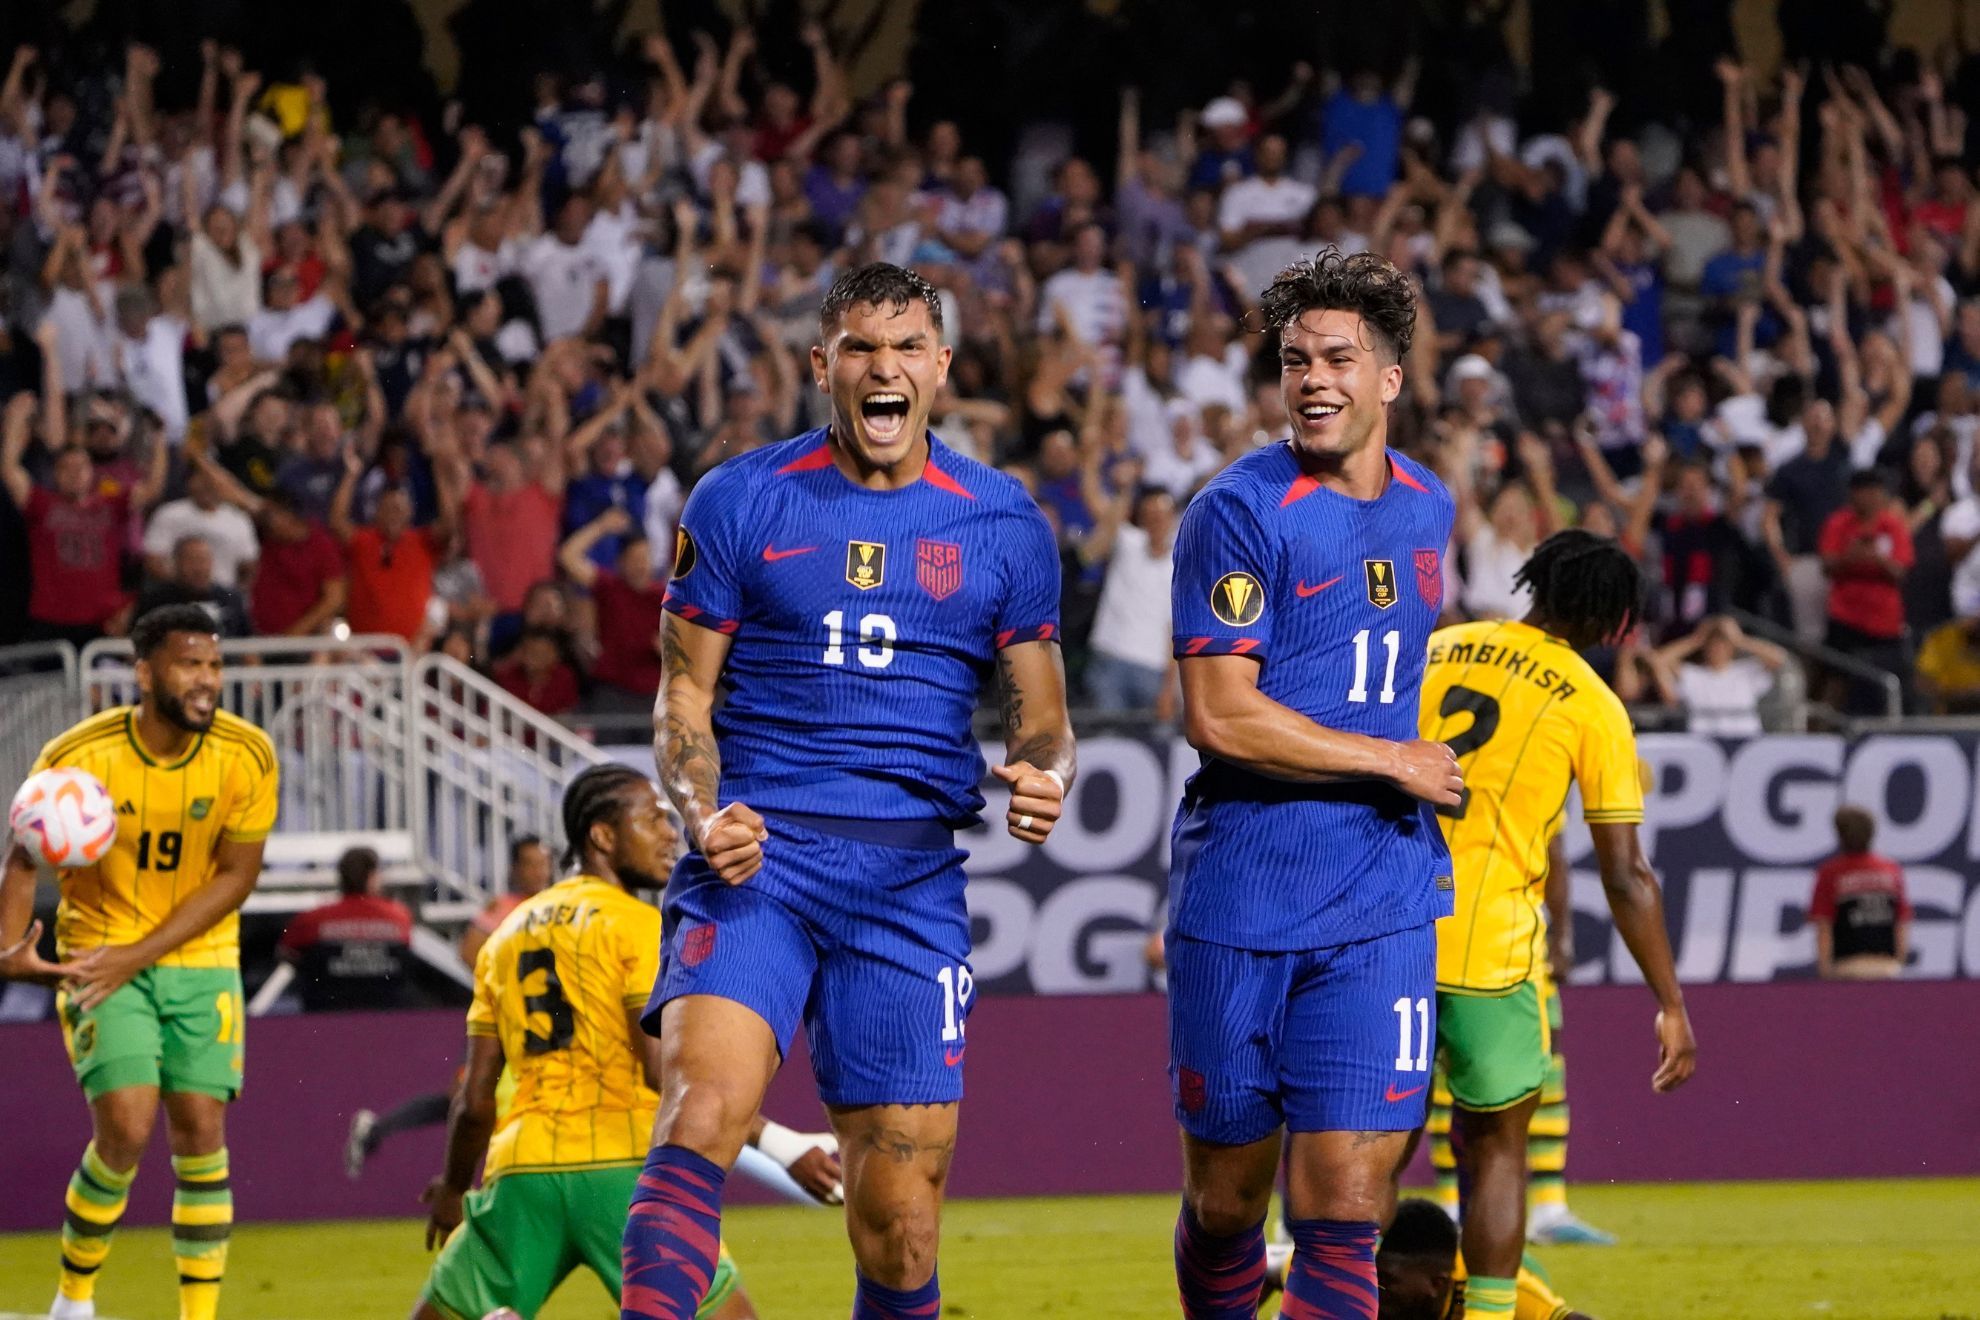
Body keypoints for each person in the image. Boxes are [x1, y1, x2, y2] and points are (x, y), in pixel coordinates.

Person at [622, 263, 1073, 1320]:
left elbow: (1042, 715)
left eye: (908, 347)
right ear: (823, 365)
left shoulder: (1004, 523)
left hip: (911, 883)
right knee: (700, 1116)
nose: (885, 368)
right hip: (758, 862)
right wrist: (700, 812)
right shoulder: (741, 498)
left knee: (902, 1223)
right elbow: (683, 694)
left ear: (942, 370)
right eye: (862, 349)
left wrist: (1044, 775)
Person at [1164, 250, 1461, 1317]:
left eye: (1339, 357)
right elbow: (1219, 712)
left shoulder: (1432, 505)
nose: (1314, 379)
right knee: (1232, 1199)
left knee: (1348, 1195)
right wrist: (1396, 760)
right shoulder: (1237, 513)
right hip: (1244, 884)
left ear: (1390, 377)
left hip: (1382, 893)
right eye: (1295, 361)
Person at [1418, 530, 1697, 1320]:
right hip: (1489, 954)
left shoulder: (1440, 647)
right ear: (1614, 622)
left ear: (1534, 584)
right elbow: (1626, 872)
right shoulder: (1594, 704)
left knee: (1367, 1148)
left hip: (1380, 935)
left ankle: (1329, 1301)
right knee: (1498, 1148)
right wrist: (1671, 1002)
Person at [0, 604, 278, 1320]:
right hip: (98, 954)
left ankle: (198, 1317)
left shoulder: (246, 755)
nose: (206, 681)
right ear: (145, 670)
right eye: (190, 665)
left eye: (213, 666)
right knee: (124, 1128)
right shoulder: (77, 754)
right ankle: (73, 1302)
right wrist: (8, 952)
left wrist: (143, 954)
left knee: (201, 1132)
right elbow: (24, 857)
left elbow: (237, 876)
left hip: (202, 962)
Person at [413, 765, 764, 1320]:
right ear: (602, 836)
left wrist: (455, 1187)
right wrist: (776, 1141)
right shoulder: (637, 925)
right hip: (623, 1169)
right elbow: (662, 1072)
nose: (670, 832)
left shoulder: (503, 937)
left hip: (522, 1173)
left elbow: (475, 1099)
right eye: (651, 818)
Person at [1353, 1198, 1593, 1320]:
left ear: (1437, 1284)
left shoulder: (1502, 1284)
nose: (1375, 1287)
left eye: (1386, 1280)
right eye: (1376, 1275)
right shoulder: (1375, 1284)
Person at [276, 846, 414, 1011]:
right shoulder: (398, 916)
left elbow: (284, 951)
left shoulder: (313, 918)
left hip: (325, 1012)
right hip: (386, 1010)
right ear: (371, 877)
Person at [1809, 806, 1911, 981]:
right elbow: (1901, 923)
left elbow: (1824, 926)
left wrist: (1825, 970)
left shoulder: (1831, 873)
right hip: (1886, 966)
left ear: (1840, 835)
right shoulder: (1890, 870)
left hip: (1846, 968)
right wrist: (1898, 962)